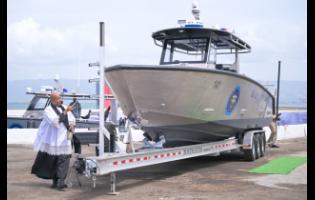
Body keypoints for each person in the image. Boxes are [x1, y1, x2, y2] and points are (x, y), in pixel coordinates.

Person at [31, 91, 76, 191]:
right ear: (53, 100)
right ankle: (56, 182)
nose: (61, 100)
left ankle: (61, 182)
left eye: (61, 98)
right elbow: (55, 122)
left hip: (65, 138)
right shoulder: (48, 110)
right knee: (54, 161)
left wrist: (72, 125)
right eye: (59, 98)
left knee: (64, 159)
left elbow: (72, 118)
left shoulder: (64, 106)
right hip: (53, 139)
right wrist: (65, 112)